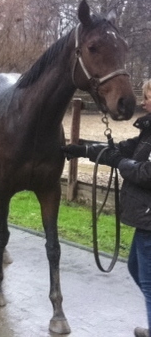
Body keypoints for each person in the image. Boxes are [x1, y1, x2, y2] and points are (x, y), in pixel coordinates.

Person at [62, 79, 151, 337]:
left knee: (147, 279)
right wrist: (84, 149)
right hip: (145, 218)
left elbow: (146, 173)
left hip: (149, 219)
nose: (143, 102)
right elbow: (122, 149)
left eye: (147, 97)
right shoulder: (148, 132)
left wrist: (121, 163)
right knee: (136, 267)